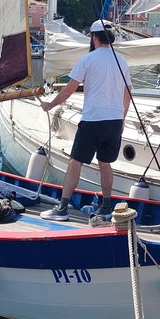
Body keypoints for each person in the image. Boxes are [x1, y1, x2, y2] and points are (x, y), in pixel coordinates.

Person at [39, 19, 132, 222]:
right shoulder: (121, 61)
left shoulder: (88, 60)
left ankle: (62, 208)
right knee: (105, 163)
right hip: (115, 120)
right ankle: (107, 206)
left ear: (93, 37)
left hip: (93, 120)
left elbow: (68, 90)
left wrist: (49, 105)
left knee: (75, 162)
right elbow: (127, 94)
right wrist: (122, 119)